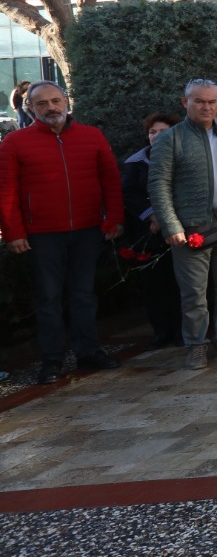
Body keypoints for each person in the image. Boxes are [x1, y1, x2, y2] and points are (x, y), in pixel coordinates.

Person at [0, 82, 124, 383]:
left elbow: (110, 180)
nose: (51, 107)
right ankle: (52, 360)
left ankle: (88, 352)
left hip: (87, 230)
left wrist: (114, 220)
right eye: (42, 103)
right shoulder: (15, 143)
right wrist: (13, 232)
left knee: (84, 295)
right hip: (42, 235)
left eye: (56, 100)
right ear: (30, 107)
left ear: (66, 101)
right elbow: (6, 191)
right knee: (48, 299)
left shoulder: (92, 136)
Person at [147, 79, 217, 370]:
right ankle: (196, 344)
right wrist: (171, 224)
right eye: (200, 101)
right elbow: (159, 184)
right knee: (194, 291)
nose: (206, 107)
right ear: (186, 103)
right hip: (191, 229)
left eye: (212, 102)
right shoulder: (169, 139)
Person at [122, 112, 183, 348]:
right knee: (154, 284)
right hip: (148, 232)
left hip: (179, 229)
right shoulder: (135, 162)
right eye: (152, 132)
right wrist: (152, 215)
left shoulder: (185, 157)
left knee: (180, 282)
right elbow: (129, 193)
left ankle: (182, 330)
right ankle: (161, 331)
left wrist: (168, 217)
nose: (156, 136)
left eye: (162, 131)